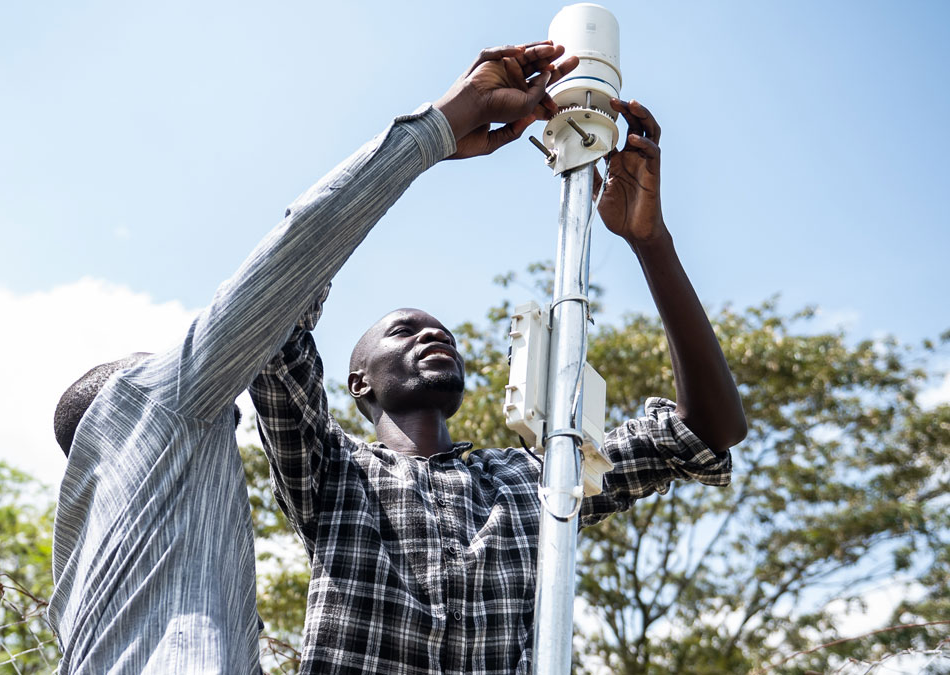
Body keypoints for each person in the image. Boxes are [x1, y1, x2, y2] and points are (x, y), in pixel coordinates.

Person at [47, 42, 580, 674]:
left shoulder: (94, 574)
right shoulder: (163, 395)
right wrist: (440, 125)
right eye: (403, 330)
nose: (230, 403)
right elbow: (289, 269)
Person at [249, 99, 749, 673]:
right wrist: (427, 142)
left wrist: (650, 240)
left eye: (444, 334)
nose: (434, 337)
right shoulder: (330, 470)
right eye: (404, 331)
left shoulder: (536, 480)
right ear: (359, 381)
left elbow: (706, 431)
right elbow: (275, 303)